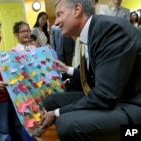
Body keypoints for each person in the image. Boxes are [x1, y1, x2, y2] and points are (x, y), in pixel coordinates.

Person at [40, 0, 141, 141]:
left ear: (77, 10)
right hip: (113, 97)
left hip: (131, 105)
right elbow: (92, 75)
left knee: (66, 124)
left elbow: (106, 95)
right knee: (51, 101)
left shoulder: (109, 30)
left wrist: (57, 113)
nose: (56, 22)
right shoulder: (89, 34)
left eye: (59, 15)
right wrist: (65, 71)